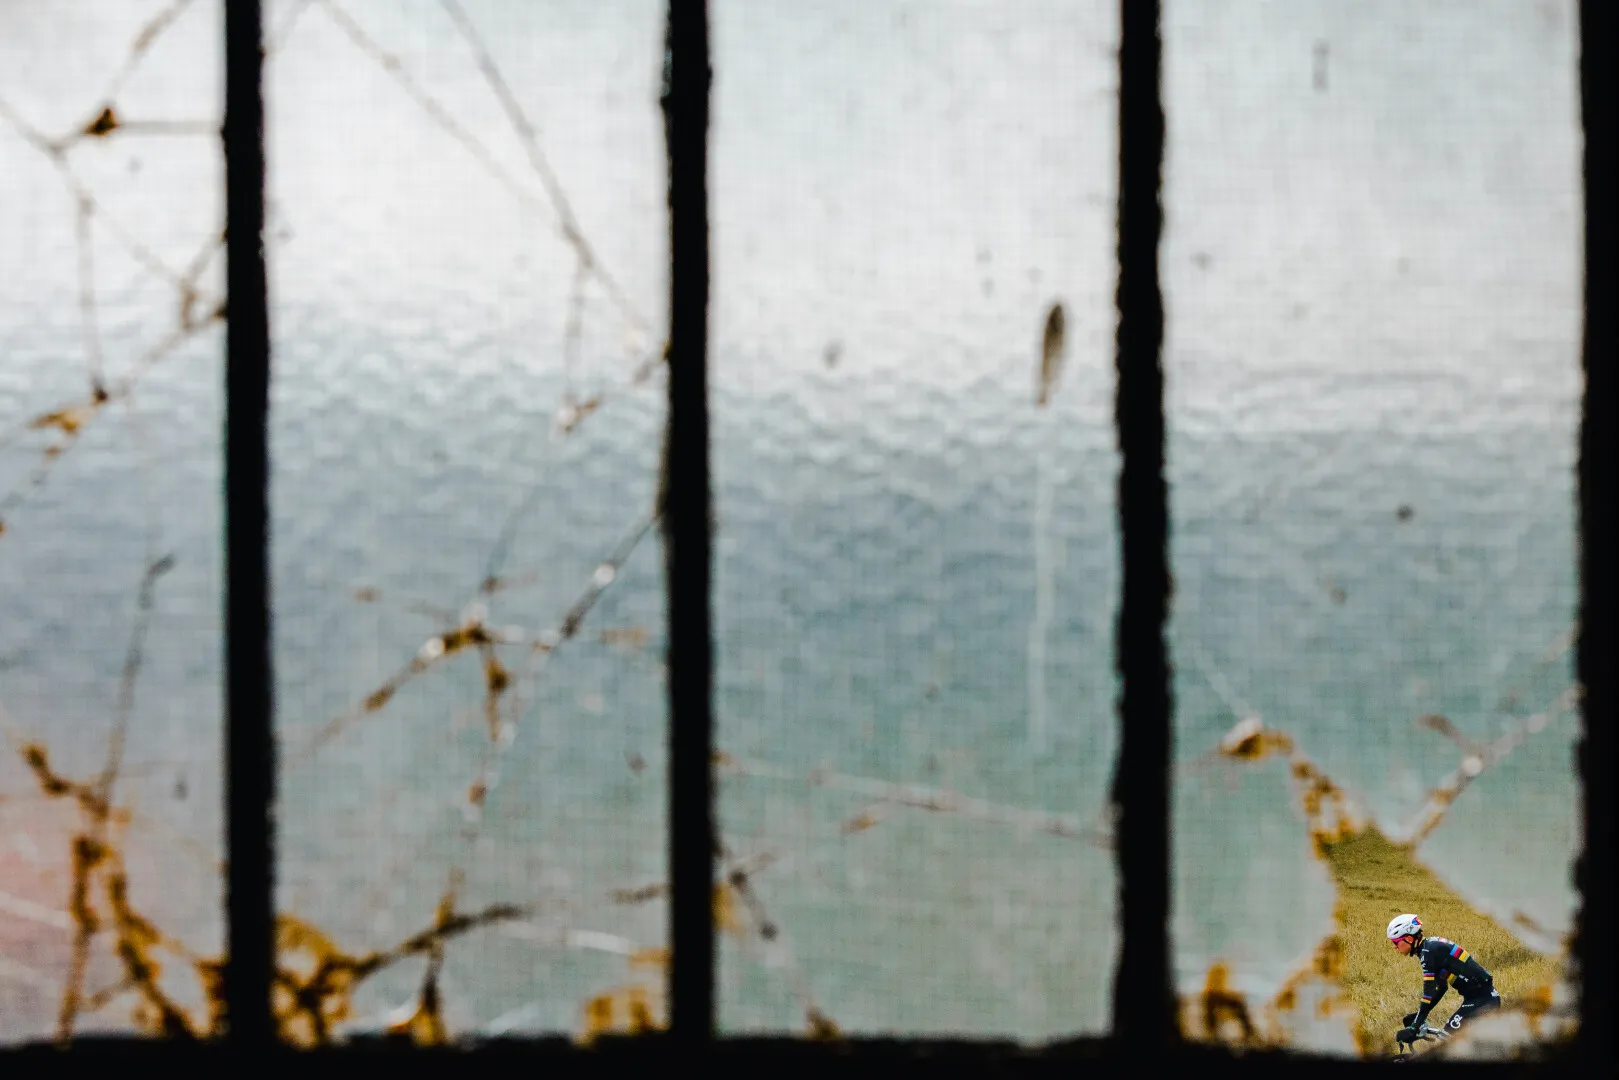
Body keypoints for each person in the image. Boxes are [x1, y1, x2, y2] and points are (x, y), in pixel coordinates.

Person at [1386, 913, 1502, 1045]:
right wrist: (1419, 1017)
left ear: (1409, 939)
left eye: (1395, 942)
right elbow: (1441, 988)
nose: (1394, 946)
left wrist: (1415, 1026)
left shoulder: (1428, 952)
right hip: (1483, 998)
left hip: (1481, 1001)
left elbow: (1428, 992)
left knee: (1442, 1044)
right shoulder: (1430, 947)